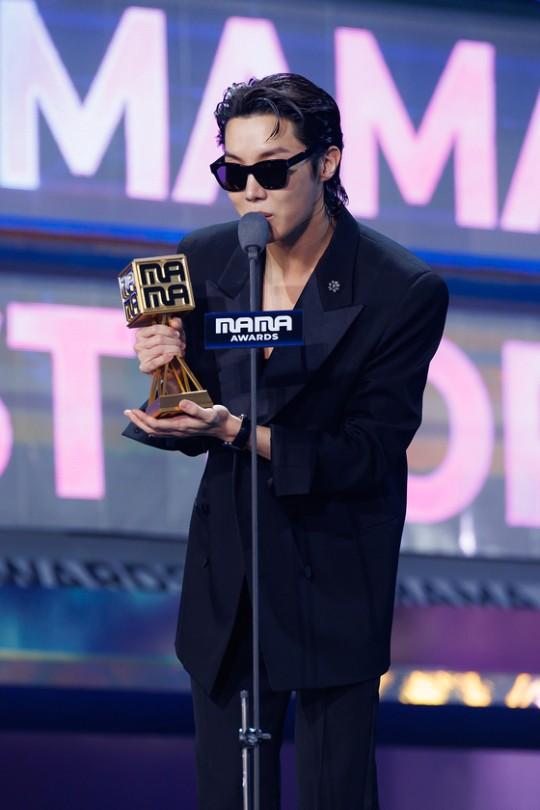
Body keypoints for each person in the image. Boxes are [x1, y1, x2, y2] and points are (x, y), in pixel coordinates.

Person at [123, 73, 448, 810]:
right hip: (230, 582)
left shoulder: (399, 289)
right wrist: (166, 385)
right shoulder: (204, 259)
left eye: (272, 172)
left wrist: (236, 431)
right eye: (233, 174)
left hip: (332, 573)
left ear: (326, 162)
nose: (251, 193)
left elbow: (368, 453)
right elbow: (194, 414)